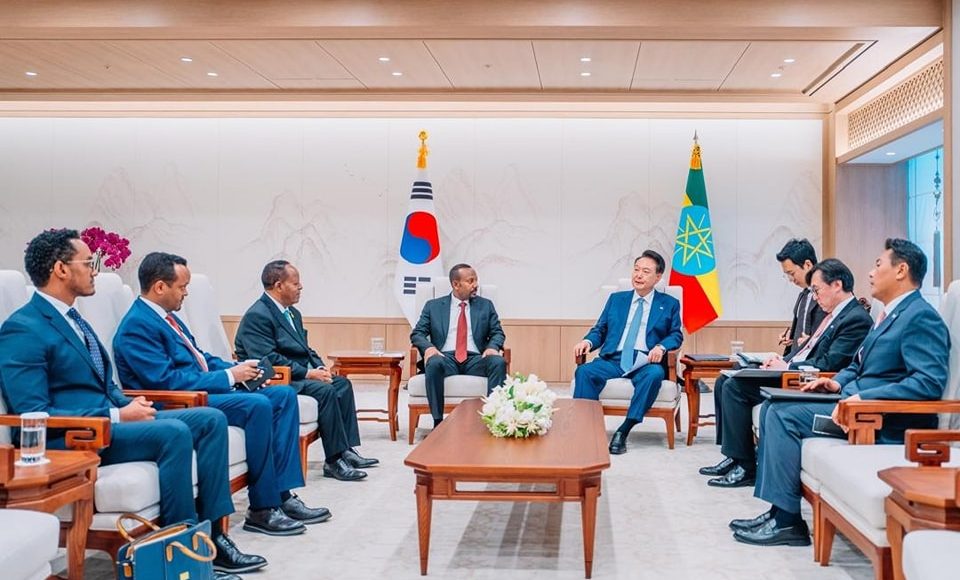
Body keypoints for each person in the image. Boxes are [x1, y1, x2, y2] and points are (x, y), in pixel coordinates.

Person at [0, 229, 265, 577]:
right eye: (88, 262)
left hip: (106, 422)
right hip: (69, 437)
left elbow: (102, 382)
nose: (95, 270)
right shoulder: (24, 328)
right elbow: (33, 412)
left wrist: (129, 403)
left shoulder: (74, 318)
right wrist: (116, 414)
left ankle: (213, 537)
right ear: (61, 269)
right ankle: (179, 557)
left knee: (210, 419)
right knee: (173, 433)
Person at [731, 239, 949, 547]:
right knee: (772, 405)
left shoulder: (920, 316)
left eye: (878, 264)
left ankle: (787, 523)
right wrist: (836, 383)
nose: (870, 273)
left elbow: (928, 383)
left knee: (781, 415)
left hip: (878, 421)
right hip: (850, 403)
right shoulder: (889, 314)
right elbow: (857, 365)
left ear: (901, 270)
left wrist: (867, 399)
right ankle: (777, 512)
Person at [113, 252, 331, 538]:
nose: (186, 293)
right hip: (177, 402)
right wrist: (229, 378)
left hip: (198, 390)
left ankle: (282, 494)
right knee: (256, 405)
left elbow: (200, 359)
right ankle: (263, 507)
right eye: (182, 287)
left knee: (282, 396)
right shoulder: (137, 326)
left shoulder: (167, 319)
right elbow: (166, 382)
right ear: (160, 287)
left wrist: (237, 368)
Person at [699, 258, 872, 488]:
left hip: (805, 380)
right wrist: (783, 360)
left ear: (837, 285)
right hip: (794, 370)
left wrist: (788, 368)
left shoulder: (855, 319)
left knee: (735, 387)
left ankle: (746, 467)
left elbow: (831, 363)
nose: (815, 297)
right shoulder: (834, 315)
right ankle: (734, 455)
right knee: (725, 379)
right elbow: (805, 350)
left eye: (817, 290)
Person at [234, 260, 378, 482]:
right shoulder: (258, 315)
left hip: (296, 374)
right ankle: (333, 461)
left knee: (341, 384)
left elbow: (305, 349)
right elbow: (268, 359)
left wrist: (319, 367)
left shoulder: (292, 313)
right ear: (278, 285)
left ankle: (346, 450)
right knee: (325, 391)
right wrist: (308, 374)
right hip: (274, 379)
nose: (300, 287)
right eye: (295, 283)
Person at [711, 238, 827, 451]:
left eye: (791, 273)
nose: (790, 279)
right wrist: (791, 337)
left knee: (734, 386)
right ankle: (729, 451)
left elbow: (820, 340)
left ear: (808, 265)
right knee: (725, 377)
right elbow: (803, 333)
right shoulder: (804, 295)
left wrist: (804, 345)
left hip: (799, 373)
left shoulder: (824, 299)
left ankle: (742, 459)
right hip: (790, 360)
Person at [572, 250, 683, 455]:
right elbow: (600, 329)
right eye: (636, 270)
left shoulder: (669, 304)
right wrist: (588, 341)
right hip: (614, 359)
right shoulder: (617, 299)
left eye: (646, 272)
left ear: (658, 277)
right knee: (584, 372)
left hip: (645, 361)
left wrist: (661, 347)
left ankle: (624, 430)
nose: (638, 275)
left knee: (654, 374)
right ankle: (586, 429)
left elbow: (676, 334)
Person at [410, 263, 507, 427]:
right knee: (433, 362)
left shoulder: (486, 305)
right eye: (470, 281)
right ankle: (438, 422)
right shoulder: (433, 306)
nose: (475, 285)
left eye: (476, 280)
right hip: (445, 358)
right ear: (456, 284)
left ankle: (493, 421)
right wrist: (429, 348)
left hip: (476, 358)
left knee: (498, 362)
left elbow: (498, 332)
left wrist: (492, 347)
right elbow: (417, 333)